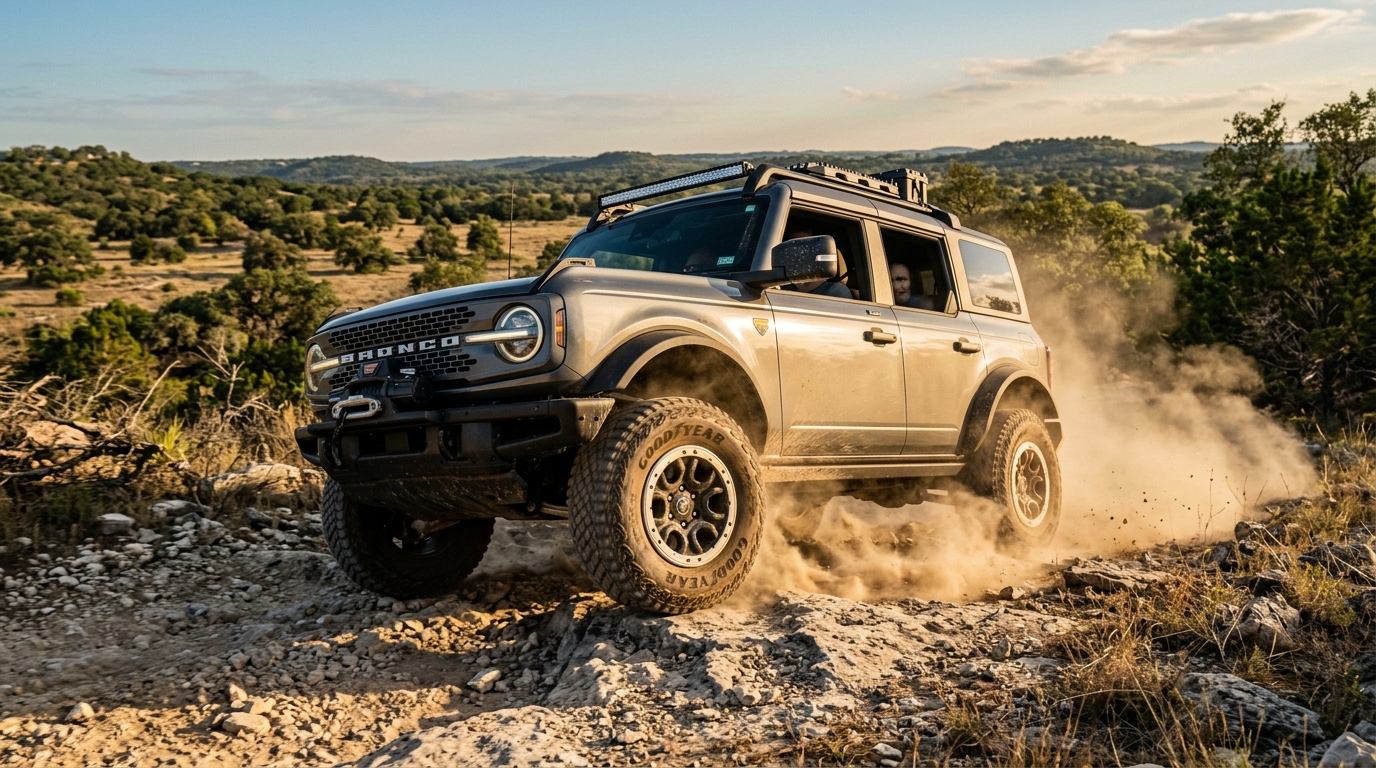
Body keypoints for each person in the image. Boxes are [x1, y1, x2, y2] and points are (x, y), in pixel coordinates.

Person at [784, 229, 850, 299]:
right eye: (791, 248)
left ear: (818, 253)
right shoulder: (783, 288)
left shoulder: (836, 292)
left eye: (804, 248)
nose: (796, 253)